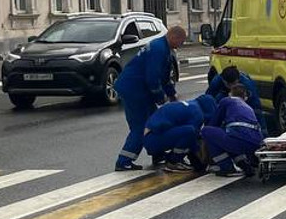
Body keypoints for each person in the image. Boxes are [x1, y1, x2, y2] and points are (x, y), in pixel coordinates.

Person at [113, 25, 186, 171]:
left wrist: (172, 94)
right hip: (134, 90)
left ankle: (157, 153)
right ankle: (124, 161)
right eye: (181, 41)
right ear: (174, 37)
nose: (181, 45)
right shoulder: (159, 49)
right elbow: (152, 78)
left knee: (156, 122)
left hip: (139, 89)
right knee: (140, 126)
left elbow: (165, 76)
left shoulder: (164, 48)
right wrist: (160, 96)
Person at [201, 83, 265, 177]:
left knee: (207, 131)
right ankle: (243, 164)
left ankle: (226, 167)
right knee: (228, 135)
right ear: (245, 97)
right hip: (256, 143)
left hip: (239, 140)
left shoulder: (227, 100)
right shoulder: (248, 108)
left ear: (230, 94)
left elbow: (214, 123)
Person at [142, 93, 217, 172]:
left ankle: (168, 158)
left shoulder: (191, 105)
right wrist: (201, 156)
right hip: (153, 140)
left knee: (188, 134)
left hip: (151, 137)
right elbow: (192, 137)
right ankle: (174, 162)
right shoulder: (197, 114)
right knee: (190, 132)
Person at [207, 66, 267, 136]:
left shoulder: (248, 85)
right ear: (223, 80)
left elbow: (257, 108)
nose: (232, 87)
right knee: (216, 100)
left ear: (238, 79)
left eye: (234, 83)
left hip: (243, 98)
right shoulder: (216, 82)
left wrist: (263, 132)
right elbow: (208, 101)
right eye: (229, 84)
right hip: (223, 95)